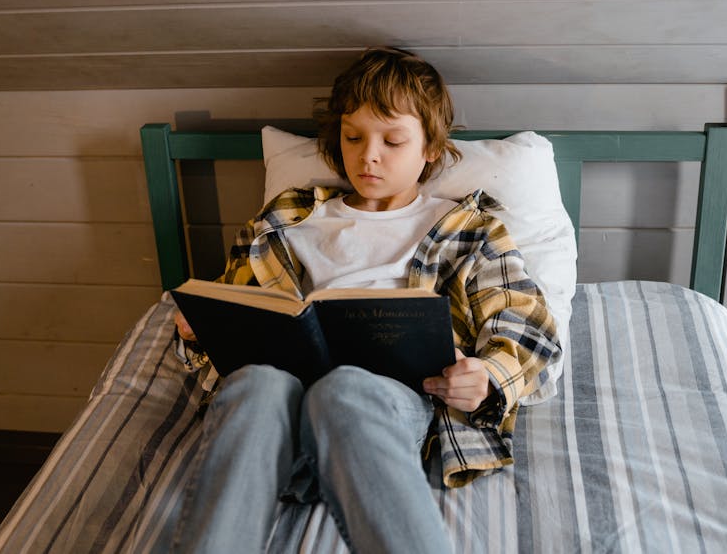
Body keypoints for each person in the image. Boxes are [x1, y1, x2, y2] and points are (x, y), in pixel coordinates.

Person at [169, 47, 562, 553]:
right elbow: (236, 315)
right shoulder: (285, 221)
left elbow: (529, 324)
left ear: (430, 149)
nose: (367, 155)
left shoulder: (468, 228)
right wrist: (199, 334)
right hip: (279, 411)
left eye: (392, 140)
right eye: (352, 137)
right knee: (253, 384)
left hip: (382, 406)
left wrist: (487, 378)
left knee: (345, 391)